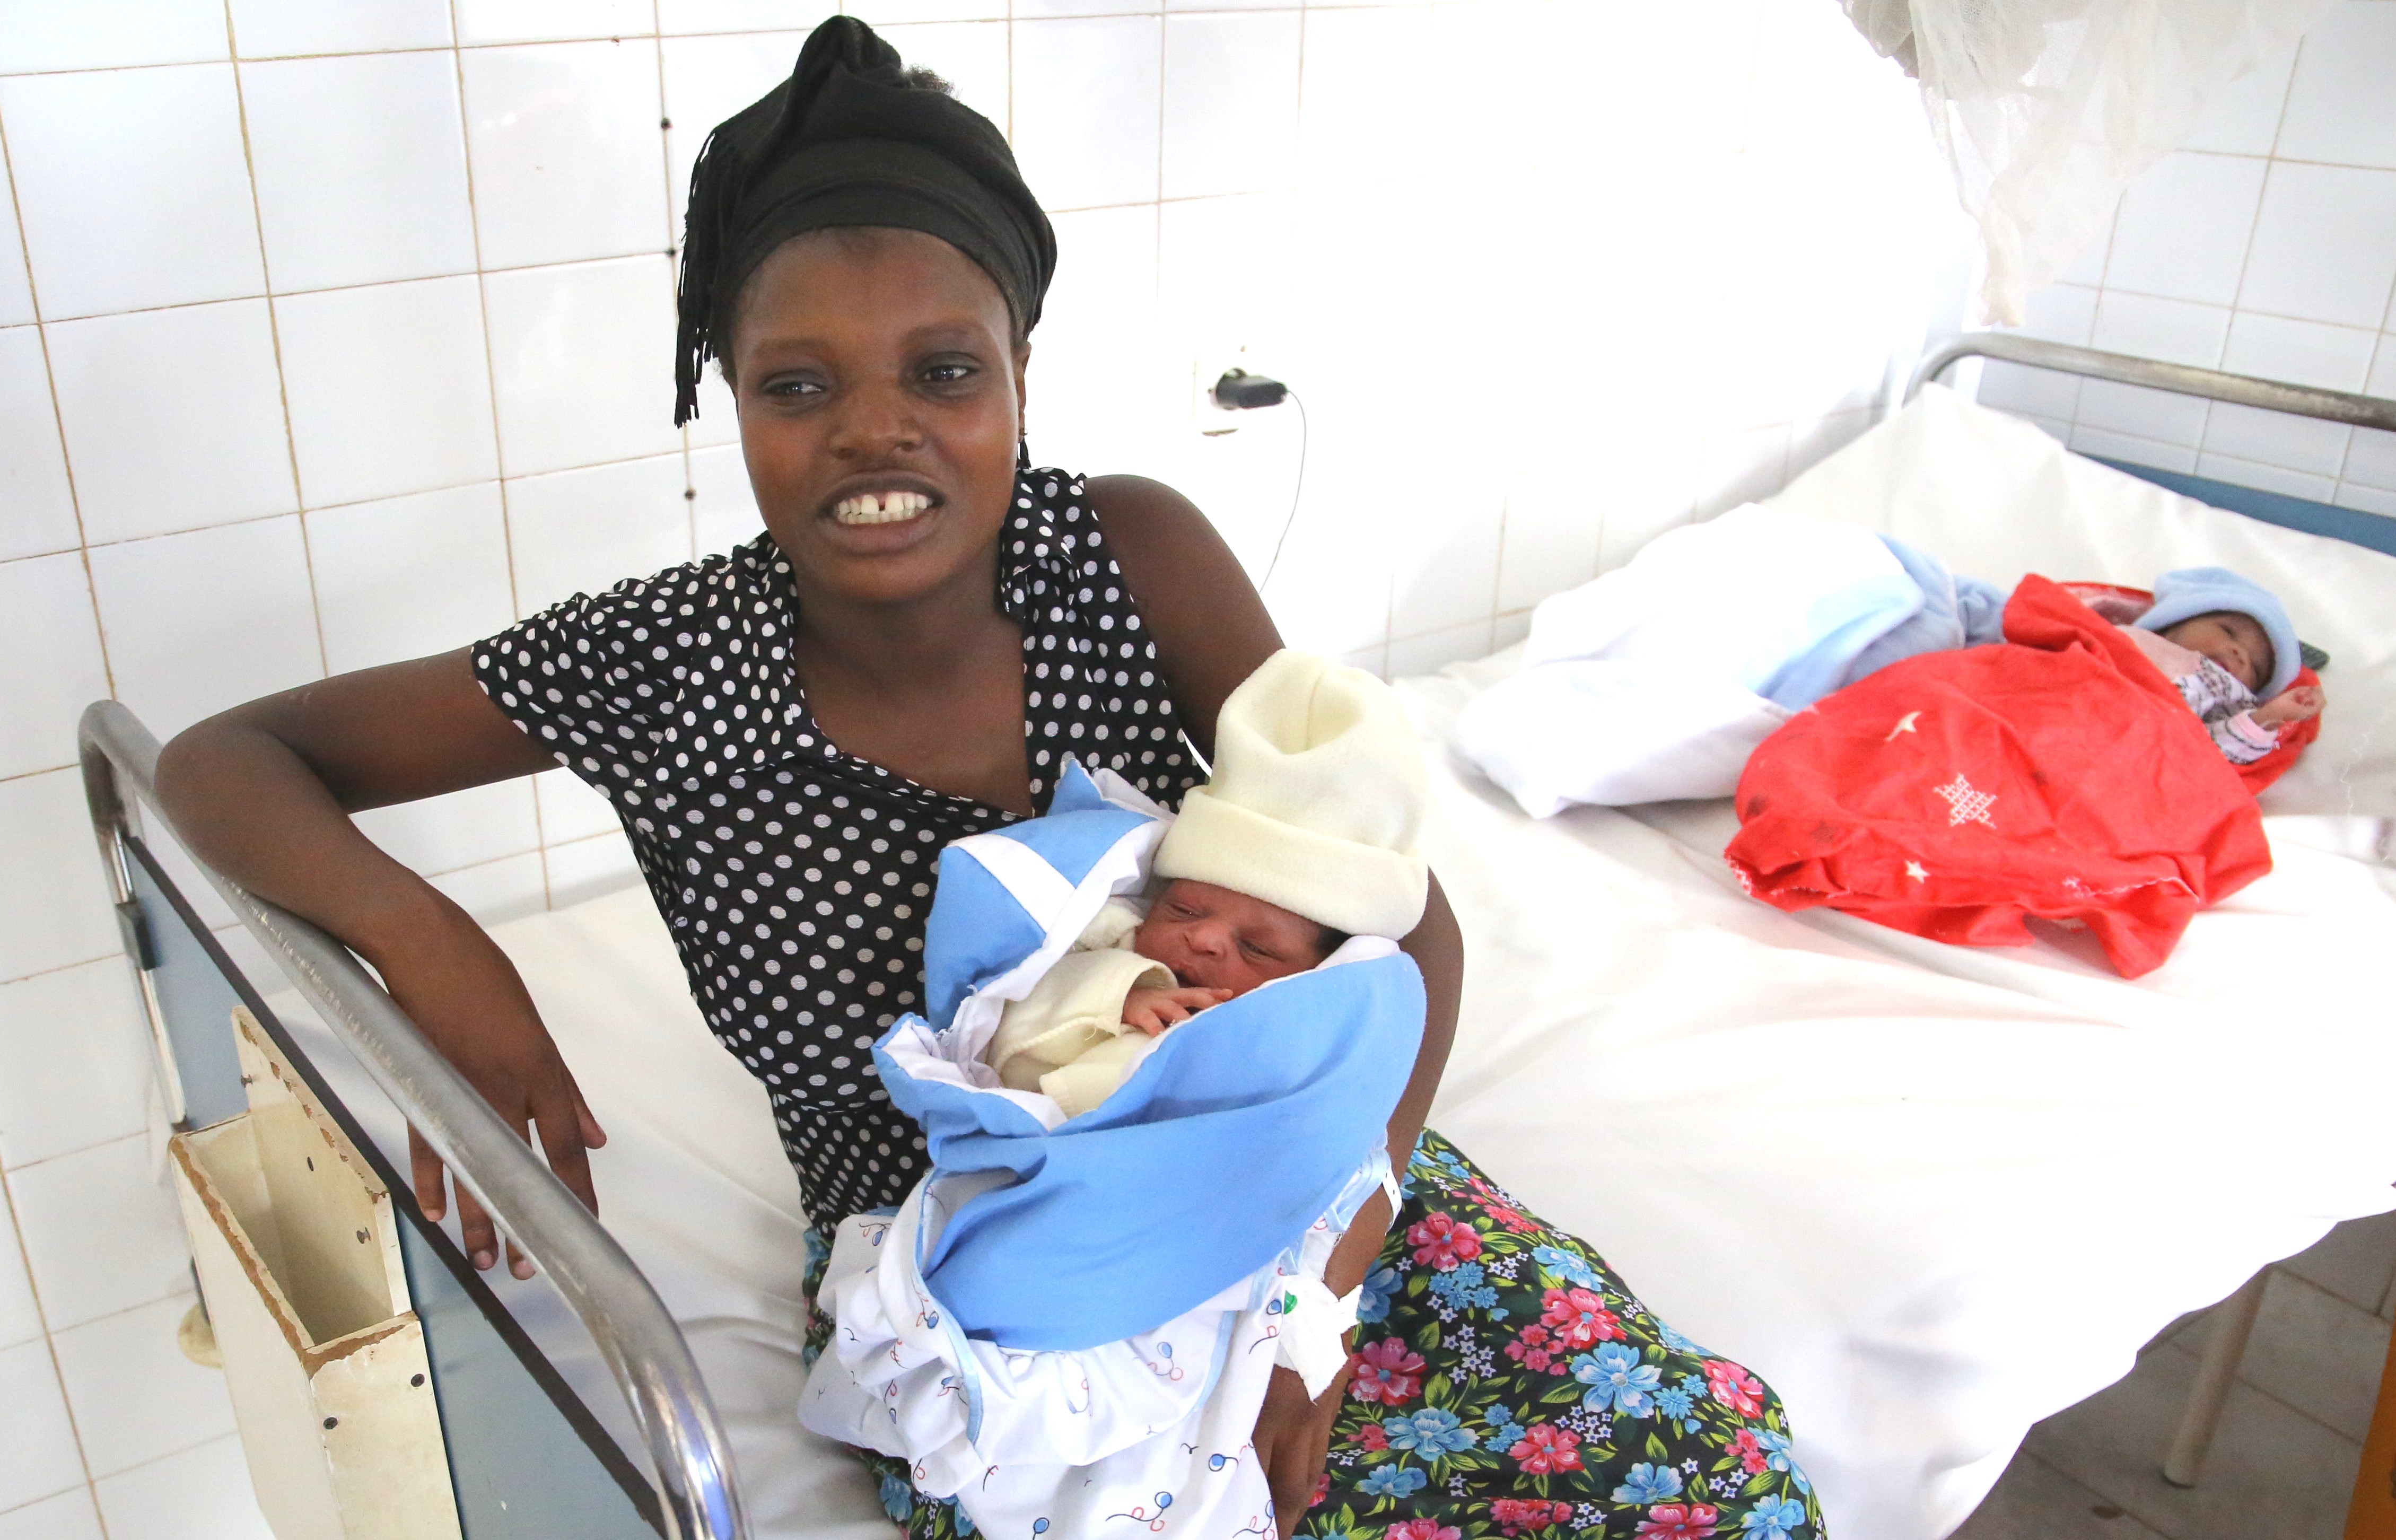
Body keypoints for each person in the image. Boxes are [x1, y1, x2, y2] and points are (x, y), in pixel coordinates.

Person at [156, 18, 1823, 1536]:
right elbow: (229, 759)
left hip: (1290, 1173)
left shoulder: (1129, 551)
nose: (875, 431)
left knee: (1704, 1478)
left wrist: (1320, 1294)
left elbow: (1407, 924)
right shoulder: (655, 663)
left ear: (1021, 373)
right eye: (797, 384)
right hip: (983, 1272)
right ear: (725, 401)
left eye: (942, 371)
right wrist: (443, 950)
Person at [987, 649, 1408, 1119]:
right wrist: (1118, 996)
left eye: (1257, 948)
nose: (1204, 938)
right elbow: (1003, 1026)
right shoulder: (1107, 945)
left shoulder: (1297, 1039)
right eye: (1183, 910)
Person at [2114, 566, 2326, 765]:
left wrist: (2270, 716)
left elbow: (2209, 751)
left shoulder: (2221, 696)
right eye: (2228, 632)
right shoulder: (2122, 636)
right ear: (2177, 620)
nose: (2241, 654)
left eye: (2256, 669)